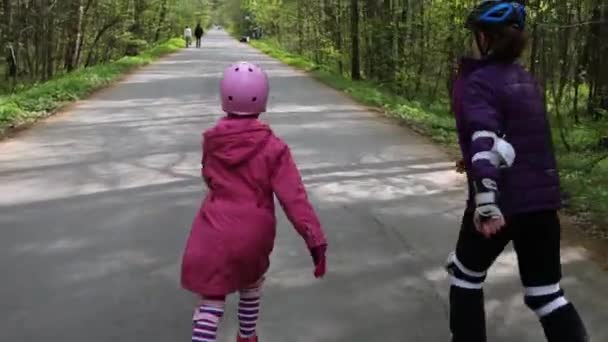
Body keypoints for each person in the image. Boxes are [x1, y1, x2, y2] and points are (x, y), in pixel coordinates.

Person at [447, 1, 589, 342]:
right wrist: (474, 158)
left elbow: (485, 138)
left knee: (465, 275)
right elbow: (521, 140)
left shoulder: (479, 82)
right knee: (546, 295)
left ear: (485, 38)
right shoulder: (526, 81)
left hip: (500, 201)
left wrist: (485, 200)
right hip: (540, 204)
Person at [181, 62, 328, 342]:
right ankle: (247, 336)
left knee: (211, 300)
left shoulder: (212, 142)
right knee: (250, 284)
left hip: (213, 230)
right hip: (254, 234)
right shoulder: (275, 148)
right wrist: (315, 241)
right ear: (263, 99)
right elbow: (294, 199)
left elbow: (208, 176)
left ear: (224, 97)